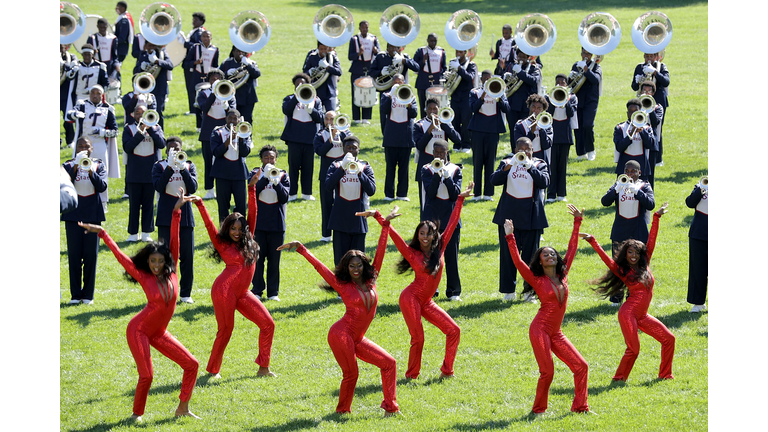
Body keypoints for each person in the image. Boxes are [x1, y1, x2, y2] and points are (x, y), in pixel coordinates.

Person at [78, 192, 201, 421]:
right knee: (147, 375)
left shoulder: (173, 271)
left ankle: (182, 408)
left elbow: (175, 238)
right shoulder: (143, 276)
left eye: (159, 261)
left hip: (159, 332)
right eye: (152, 261)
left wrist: (177, 210)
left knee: (192, 364)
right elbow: (120, 256)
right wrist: (103, 233)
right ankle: (136, 415)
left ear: (166, 261)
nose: (155, 265)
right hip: (139, 330)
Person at [278, 206, 401, 416]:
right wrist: (301, 248)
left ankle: (391, 407)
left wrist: (385, 223)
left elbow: (380, 251)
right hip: (341, 334)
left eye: (359, 265)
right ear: (346, 267)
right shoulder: (342, 285)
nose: (355, 269)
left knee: (389, 363)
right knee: (352, 374)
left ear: (364, 266)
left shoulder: (372, 279)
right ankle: (342, 411)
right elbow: (321, 268)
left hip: (357, 337)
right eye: (351, 266)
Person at [374, 182, 473, 379]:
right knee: (418, 338)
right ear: (417, 235)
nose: (425, 237)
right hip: (410, 299)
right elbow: (396, 239)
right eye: (421, 233)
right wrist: (381, 219)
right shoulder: (412, 253)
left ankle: (447, 371)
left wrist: (460, 199)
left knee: (454, 330)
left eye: (429, 233)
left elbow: (453, 222)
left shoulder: (441, 247)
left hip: (426, 301)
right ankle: (412, 375)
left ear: (435, 234)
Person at [503, 204, 590, 415]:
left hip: (556, 332)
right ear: (540, 262)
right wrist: (510, 237)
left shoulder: (563, 274)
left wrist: (577, 221)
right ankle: (538, 410)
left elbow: (572, 248)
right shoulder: (535, 279)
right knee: (547, 372)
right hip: (540, 330)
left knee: (581, 366)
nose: (550, 256)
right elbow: (517, 261)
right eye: (545, 255)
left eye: (553, 254)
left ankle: (580, 407)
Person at [582, 202, 676, 382]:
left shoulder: (645, 264)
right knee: (633, 349)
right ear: (626, 254)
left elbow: (652, 240)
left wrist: (656, 217)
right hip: (628, 314)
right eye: (630, 252)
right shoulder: (623, 271)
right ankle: (619, 378)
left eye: (636, 253)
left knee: (668, 339)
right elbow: (607, 260)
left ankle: (665, 375)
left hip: (642, 315)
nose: (633, 255)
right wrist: (593, 241)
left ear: (641, 255)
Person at [191, 182, 276, 378]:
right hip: (224, 291)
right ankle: (213, 370)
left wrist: (252, 188)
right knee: (226, 330)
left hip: (243, 293)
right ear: (227, 230)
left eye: (239, 228)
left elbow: (253, 212)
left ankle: (263, 368)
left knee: (268, 324)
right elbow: (209, 226)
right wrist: (201, 204)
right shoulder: (222, 243)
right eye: (232, 229)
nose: (236, 232)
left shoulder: (249, 239)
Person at [492, 137, 550, 303]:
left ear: (533, 150)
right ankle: (508, 291)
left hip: (532, 217)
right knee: (508, 255)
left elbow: (544, 182)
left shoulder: (539, 164)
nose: (524, 152)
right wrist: (508, 167)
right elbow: (494, 181)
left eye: (528, 149)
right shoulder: (506, 162)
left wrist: (530, 166)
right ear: (515, 150)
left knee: (532, 257)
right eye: (521, 149)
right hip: (509, 216)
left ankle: (529, 291)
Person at [601, 160, 655, 305]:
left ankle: (633, 297)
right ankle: (616, 298)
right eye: (627, 171)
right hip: (620, 230)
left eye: (633, 171)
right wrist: (617, 190)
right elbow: (605, 202)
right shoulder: (618, 184)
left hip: (638, 232)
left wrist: (636, 191)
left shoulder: (645, 186)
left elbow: (651, 204)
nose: (630, 174)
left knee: (637, 267)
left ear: (639, 173)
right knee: (618, 266)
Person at [153, 137, 198, 304]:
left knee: (187, 256)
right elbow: (158, 186)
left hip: (185, 217)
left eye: (177, 148)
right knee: (165, 256)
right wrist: (170, 169)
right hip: (165, 217)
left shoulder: (189, 165)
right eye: (171, 148)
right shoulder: (159, 166)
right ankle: (165, 292)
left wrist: (182, 169)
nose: (174, 150)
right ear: (166, 150)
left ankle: (185, 294)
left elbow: (193, 188)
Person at [62, 137, 107, 305]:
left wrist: (89, 171)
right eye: (80, 146)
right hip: (73, 215)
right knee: (74, 256)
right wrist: (75, 167)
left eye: (86, 146)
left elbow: (102, 186)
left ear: (91, 148)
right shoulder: (67, 165)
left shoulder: (98, 165)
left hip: (93, 215)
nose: (83, 148)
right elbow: (64, 184)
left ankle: (88, 295)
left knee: (90, 256)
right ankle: (75, 295)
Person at [420, 140, 463, 301]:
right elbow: (430, 193)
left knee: (452, 257)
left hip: (451, 220)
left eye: (442, 153)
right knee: (431, 257)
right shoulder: (426, 169)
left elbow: (454, 195)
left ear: (447, 152)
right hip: (431, 220)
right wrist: (437, 175)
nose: (439, 155)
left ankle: (453, 291)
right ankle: (432, 289)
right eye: (436, 153)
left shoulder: (456, 170)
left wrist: (447, 177)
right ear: (432, 153)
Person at [325, 136, 377, 266]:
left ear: (358, 150)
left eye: (354, 148)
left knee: (358, 262)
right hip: (339, 220)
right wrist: (342, 169)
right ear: (343, 149)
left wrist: (360, 173)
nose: (351, 150)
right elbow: (328, 186)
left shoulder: (365, 166)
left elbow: (371, 190)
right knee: (340, 262)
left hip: (358, 220)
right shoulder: (335, 165)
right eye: (348, 147)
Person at [67, 84, 119, 211]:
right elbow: (69, 115)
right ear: (89, 94)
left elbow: (115, 131)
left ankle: (103, 201)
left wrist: (101, 132)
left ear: (102, 95)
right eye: (93, 93)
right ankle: (77, 196)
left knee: (101, 171)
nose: (95, 95)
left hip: (99, 143)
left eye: (98, 93)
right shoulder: (82, 104)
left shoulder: (108, 109)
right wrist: (75, 114)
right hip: (83, 143)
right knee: (79, 168)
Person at [249, 145, 290, 301]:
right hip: (258, 224)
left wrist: (276, 182)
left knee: (274, 260)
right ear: (261, 159)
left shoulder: (283, 175)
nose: (269, 160)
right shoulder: (254, 173)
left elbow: (284, 197)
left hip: (277, 225)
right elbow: (252, 190)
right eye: (266, 157)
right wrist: (265, 177)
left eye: (271, 158)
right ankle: (257, 290)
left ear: (276, 159)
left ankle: (273, 293)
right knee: (258, 260)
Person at [123, 105, 166, 242]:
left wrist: (151, 129)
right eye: (137, 112)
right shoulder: (128, 128)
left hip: (150, 172)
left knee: (148, 204)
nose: (140, 115)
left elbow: (161, 144)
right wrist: (140, 132)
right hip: (134, 173)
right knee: (134, 205)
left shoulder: (156, 128)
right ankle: (133, 234)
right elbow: (128, 147)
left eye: (143, 113)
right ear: (132, 114)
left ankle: (146, 232)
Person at [281, 73, 325, 201]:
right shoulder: (289, 98)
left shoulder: (316, 100)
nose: (300, 85)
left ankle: (307, 193)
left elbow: (320, 118)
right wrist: (297, 96)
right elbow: (286, 110)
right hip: (294, 138)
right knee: (293, 167)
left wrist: (312, 110)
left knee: (308, 167)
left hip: (310, 138)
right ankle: (292, 194)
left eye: (303, 83)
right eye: (297, 84)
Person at [468, 70, 510, 201]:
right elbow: (473, 109)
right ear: (481, 80)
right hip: (477, 130)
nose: (487, 81)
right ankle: (476, 193)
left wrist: (498, 97)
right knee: (478, 161)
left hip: (493, 130)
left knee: (490, 162)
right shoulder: (474, 92)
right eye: (485, 79)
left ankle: (488, 193)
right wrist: (483, 96)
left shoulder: (499, 92)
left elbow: (507, 109)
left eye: (489, 78)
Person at [413, 98, 461, 209]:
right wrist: (430, 129)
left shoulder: (445, 122)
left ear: (439, 109)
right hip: (426, 166)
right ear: (426, 110)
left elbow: (457, 139)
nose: (432, 111)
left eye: (435, 109)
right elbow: (420, 145)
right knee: (425, 204)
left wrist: (444, 125)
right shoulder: (419, 125)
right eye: (430, 109)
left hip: (444, 168)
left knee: (445, 200)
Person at [198, 68, 237, 199]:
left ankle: (226, 187)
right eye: (212, 79)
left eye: (217, 79)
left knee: (225, 160)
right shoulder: (203, 93)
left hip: (225, 132)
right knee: (208, 161)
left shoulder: (230, 93)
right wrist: (214, 94)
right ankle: (209, 189)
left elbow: (234, 114)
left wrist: (227, 106)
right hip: (208, 132)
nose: (215, 81)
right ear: (209, 81)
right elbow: (203, 108)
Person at [210, 109, 253, 224]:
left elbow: (245, 152)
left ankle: (241, 230)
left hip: (238, 174)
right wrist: (228, 141)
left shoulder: (245, 131)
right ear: (226, 119)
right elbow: (216, 152)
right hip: (222, 173)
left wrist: (241, 137)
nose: (232, 121)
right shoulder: (217, 132)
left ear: (239, 120)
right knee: (223, 206)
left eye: (235, 118)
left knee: (241, 205)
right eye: (230, 118)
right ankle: (224, 231)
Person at [314, 110, 350, 242]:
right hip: (326, 174)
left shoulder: (345, 133)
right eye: (327, 119)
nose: (329, 122)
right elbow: (320, 151)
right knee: (326, 204)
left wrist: (343, 132)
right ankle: (326, 235)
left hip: (343, 174)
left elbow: (351, 148)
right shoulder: (320, 134)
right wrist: (331, 138)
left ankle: (343, 231)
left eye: (332, 119)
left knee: (343, 203)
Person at [380, 78, 418, 201]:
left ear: (403, 83)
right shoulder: (386, 96)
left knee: (404, 167)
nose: (397, 83)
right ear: (392, 84)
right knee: (390, 167)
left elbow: (414, 114)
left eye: (400, 82)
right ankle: (389, 194)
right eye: (395, 82)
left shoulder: (410, 96)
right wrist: (391, 95)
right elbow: (384, 110)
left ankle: (402, 194)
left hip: (405, 137)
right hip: (391, 137)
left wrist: (408, 103)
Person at [369, 44, 418, 134]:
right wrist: (380, 73)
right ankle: (386, 137)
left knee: (403, 115)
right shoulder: (381, 57)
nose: (394, 49)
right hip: (386, 92)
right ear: (387, 49)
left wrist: (403, 60)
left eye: (396, 47)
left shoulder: (404, 56)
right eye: (391, 47)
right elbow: (371, 72)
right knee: (385, 116)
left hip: (402, 92)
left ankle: (403, 135)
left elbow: (416, 67)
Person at [631, 52, 670, 165]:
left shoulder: (661, 66)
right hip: (642, 101)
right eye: (647, 56)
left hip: (658, 101)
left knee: (657, 129)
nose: (649, 58)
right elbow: (633, 87)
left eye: (651, 56)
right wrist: (638, 82)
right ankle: (642, 154)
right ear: (644, 56)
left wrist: (655, 72)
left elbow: (666, 81)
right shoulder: (639, 67)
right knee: (641, 126)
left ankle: (658, 158)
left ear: (656, 57)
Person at [545, 74, 578, 202]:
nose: (560, 84)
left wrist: (565, 100)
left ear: (566, 84)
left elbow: (570, 113)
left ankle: (561, 194)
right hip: (552, 135)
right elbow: (549, 113)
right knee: (552, 166)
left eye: (562, 82)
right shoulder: (549, 97)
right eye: (557, 82)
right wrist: (555, 99)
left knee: (562, 166)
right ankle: (551, 194)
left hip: (565, 136)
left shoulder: (572, 97)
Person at [504, 47, 541, 147]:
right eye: (519, 56)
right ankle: (514, 150)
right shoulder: (512, 67)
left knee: (527, 128)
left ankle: (527, 149)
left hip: (527, 106)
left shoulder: (534, 68)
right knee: (513, 130)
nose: (521, 59)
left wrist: (520, 72)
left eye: (523, 57)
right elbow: (506, 83)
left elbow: (533, 80)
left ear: (528, 57)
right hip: (513, 105)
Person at [569, 48, 602, 161]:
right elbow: (571, 83)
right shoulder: (576, 65)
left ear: (592, 54)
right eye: (584, 53)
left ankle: (591, 150)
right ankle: (581, 152)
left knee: (588, 125)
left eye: (588, 53)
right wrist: (571, 77)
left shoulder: (596, 66)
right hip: (578, 99)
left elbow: (595, 80)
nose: (585, 55)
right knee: (577, 126)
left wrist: (586, 69)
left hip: (590, 100)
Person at [183, 30, 219, 130]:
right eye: (204, 37)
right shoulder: (195, 48)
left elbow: (216, 65)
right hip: (197, 76)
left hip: (210, 78)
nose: (206, 39)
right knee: (198, 101)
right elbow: (185, 63)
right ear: (201, 38)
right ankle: (199, 125)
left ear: (211, 38)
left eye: (208, 37)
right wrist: (195, 62)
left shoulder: (215, 50)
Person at [133, 41, 174, 128]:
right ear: (145, 46)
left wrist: (157, 61)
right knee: (145, 112)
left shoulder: (162, 54)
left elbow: (170, 65)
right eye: (149, 45)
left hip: (159, 88)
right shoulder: (143, 55)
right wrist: (141, 67)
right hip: (145, 89)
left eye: (153, 45)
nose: (151, 47)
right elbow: (135, 72)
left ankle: (159, 132)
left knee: (158, 112)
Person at [614, 98, 656, 182]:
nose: (632, 113)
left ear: (640, 112)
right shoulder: (620, 128)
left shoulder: (647, 128)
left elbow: (651, 145)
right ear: (627, 113)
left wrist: (642, 131)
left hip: (642, 167)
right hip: (624, 166)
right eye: (630, 111)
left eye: (635, 111)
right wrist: (632, 133)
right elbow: (619, 147)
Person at [347, 20, 380, 124]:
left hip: (369, 68)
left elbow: (379, 54)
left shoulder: (373, 38)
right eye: (363, 28)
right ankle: (356, 118)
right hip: (357, 68)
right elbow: (350, 56)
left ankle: (366, 118)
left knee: (368, 93)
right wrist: (358, 53)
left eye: (366, 28)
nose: (365, 30)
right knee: (356, 93)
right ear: (359, 28)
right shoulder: (354, 39)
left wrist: (376, 51)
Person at [447, 49, 477, 153]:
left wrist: (459, 69)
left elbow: (469, 77)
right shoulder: (452, 62)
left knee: (465, 121)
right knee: (455, 120)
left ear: (465, 52)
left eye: (460, 52)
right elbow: (450, 78)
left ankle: (466, 144)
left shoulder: (471, 65)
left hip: (466, 97)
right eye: (457, 52)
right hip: (455, 96)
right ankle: (457, 143)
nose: (458, 54)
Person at [66, 44, 109, 116]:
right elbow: (69, 79)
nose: (86, 57)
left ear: (92, 55)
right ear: (82, 55)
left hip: (94, 99)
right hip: (79, 97)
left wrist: (98, 93)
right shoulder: (77, 65)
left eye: (89, 55)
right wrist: (73, 71)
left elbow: (106, 84)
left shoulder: (100, 66)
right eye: (85, 55)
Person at [221, 46, 261, 124]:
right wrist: (227, 73)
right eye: (238, 51)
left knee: (246, 120)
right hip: (231, 96)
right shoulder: (226, 63)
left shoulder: (251, 62)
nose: (240, 54)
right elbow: (218, 76)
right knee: (231, 120)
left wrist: (248, 65)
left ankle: (246, 136)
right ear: (233, 52)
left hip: (248, 97)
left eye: (242, 52)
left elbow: (257, 74)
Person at [685, 178, 708, 313]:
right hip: (698, 234)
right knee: (697, 269)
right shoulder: (700, 186)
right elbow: (690, 202)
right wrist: (701, 189)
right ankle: (698, 302)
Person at [637, 81, 664, 190]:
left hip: (651, 143)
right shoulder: (636, 105)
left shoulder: (658, 107)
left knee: (650, 173)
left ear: (653, 93)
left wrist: (649, 107)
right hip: (637, 142)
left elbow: (656, 122)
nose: (646, 93)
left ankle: (649, 196)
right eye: (644, 91)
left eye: (649, 91)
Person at [513, 94, 553, 167]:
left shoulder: (547, 124)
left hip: (541, 158)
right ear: (529, 106)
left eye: (539, 108)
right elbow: (519, 145)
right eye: (533, 107)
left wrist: (541, 129)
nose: (535, 111)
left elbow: (546, 145)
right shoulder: (520, 125)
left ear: (543, 110)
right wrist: (532, 131)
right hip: (525, 159)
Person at [412, 33, 446, 118]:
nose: (433, 43)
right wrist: (423, 61)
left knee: (436, 107)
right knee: (423, 107)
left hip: (436, 84)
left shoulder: (441, 51)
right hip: (422, 83)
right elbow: (414, 66)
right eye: (431, 41)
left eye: (435, 41)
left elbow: (444, 68)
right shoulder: (421, 51)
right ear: (427, 40)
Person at [303, 42, 342, 112]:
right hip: (316, 91)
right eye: (321, 49)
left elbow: (339, 72)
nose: (323, 51)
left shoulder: (332, 57)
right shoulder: (312, 57)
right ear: (318, 48)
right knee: (316, 116)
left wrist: (328, 66)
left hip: (329, 92)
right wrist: (310, 72)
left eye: (325, 49)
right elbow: (304, 73)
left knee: (331, 114)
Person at [183, 12, 207, 116]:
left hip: (194, 64)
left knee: (191, 86)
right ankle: (192, 108)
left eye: (195, 20)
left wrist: (185, 43)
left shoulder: (199, 32)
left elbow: (198, 45)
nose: (193, 22)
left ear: (201, 21)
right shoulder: (197, 31)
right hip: (193, 63)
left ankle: (193, 109)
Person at [60, 44, 78, 147]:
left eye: (61, 45)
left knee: (68, 119)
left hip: (65, 94)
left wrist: (63, 64)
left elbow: (74, 68)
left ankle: (70, 140)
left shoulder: (71, 57)